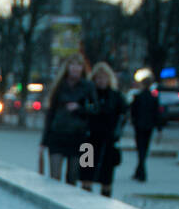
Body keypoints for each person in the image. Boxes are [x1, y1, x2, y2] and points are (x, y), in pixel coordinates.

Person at [41, 54, 94, 185]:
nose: (75, 68)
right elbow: (51, 113)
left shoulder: (88, 86)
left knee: (72, 177)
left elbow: (95, 109)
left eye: (78, 65)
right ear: (67, 67)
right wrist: (44, 141)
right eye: (72, 65)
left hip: (78, 137)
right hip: (57, 135)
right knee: (54, 177)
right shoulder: (59, 86)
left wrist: (79, 108)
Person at [79, 62, 126, 197]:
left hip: (108, 140)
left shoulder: (115, 96)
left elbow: (123, 115)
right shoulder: (88, 96)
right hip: (88, 141)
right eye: (98, 78)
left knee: (107, 176)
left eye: (104, 77)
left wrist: (117, 132)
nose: (101, 81)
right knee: (86, 175)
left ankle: (105, 201)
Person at [128, 76, 162, 182]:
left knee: (140, 148)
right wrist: (159, 128)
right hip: (149, 126)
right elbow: (157, 114)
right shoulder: (153, 98)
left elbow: (133, 112)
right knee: (145, 148)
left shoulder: (137, 97)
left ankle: (141, 172)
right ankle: (139, 171)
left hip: (139, 126)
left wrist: (133, 122)